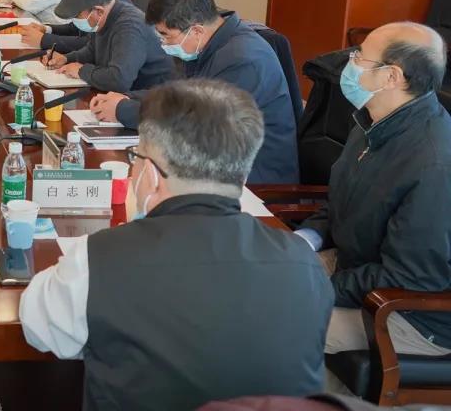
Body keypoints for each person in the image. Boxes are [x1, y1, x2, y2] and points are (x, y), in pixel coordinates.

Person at [20, 79, 332, 410]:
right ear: (242, 175)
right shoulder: (305, 265)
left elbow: (38, 326)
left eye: (136, 157)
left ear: (151, 175)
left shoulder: (96, 260)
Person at [296, 22, 451, 359]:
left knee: (278, 322)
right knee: (256, 281)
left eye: (360, 56)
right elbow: (342, 200)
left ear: (392, 76)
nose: (349, 63)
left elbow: (410, 277)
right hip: (356, 267)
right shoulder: (373, 121)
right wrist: (308, 237)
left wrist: (319, 287)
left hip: (408, 312)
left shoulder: (433, 163)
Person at [90, 0, 299, 185]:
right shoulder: (206, 46)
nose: (163, 44)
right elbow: (178, 95)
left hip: (254, 178)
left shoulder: (243, 60)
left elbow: (194, 123)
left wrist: (122, 110)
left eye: (166, 36)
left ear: (196, 31)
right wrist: (126, 97)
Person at [42, 0, 174, 92]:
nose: (74, 21)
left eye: (77, 16)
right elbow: (92, 51)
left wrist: (81, 71)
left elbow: (119, 80)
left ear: (98, 11)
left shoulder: (130, 27)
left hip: (153, 100)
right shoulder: (101, 19)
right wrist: (66, 58)